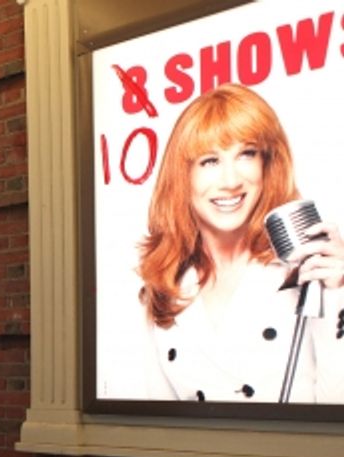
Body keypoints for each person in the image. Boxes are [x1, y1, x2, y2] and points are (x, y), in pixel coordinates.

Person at [137, 83, 344, 402]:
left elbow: (336, 410)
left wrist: (338, 293)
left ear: (267, 165)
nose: (231, 181)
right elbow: (157, 419)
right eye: (210, 161)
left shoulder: (308, 269)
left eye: (246, 154)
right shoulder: (166, 284)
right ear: (183, 176)